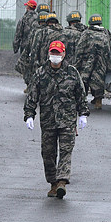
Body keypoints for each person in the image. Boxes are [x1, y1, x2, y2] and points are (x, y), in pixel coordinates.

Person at [23, 40, 88, 199]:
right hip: (48, 121)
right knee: (48, 153)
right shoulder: (40, 73)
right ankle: (53, 182)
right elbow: (32, 96)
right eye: (53, 53)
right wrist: (29, 115)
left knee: (66, 151)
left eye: (58, 53)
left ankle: (62, 182)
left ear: (64, 54)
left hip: (67, 120)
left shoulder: (72, 73)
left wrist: (83, 114)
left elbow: (80, 94)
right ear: (49, 54)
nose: (55, 56)